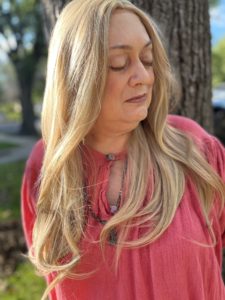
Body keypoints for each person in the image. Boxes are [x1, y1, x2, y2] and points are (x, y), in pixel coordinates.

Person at [21, 0, 225, 299]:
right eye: (119, 63)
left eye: (148, 59)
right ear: (77, 75)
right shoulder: (46, 167)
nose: (143, 76)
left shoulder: (195, 150)